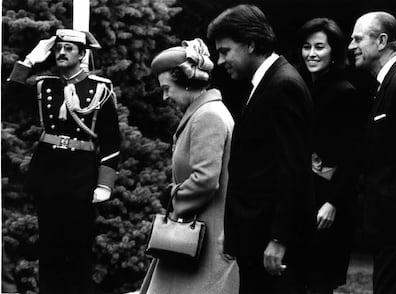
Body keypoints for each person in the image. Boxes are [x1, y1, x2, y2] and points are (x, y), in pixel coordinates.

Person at [207, 5, 315, 294]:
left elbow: (293, 168)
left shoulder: (283, 86)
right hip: (256, 239)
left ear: (251, 44)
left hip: (270, 244)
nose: (220, 61)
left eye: (225, 51)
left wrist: (280, 238)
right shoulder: (265, 83)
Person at [6, 29, 121, 294]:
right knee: (48, 250)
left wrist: (105, 184)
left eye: (69, 48)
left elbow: (111, 140)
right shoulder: (45, 85)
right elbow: (9, 99)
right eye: (59, 48)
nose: (62, 52)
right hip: (47, 175)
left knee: (78, 251)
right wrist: (28, 61)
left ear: (82, 54)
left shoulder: (100, 90)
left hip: (80, 178)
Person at [142, 38, 239, 294]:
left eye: (167, 89)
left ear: (186, 82)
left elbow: (206, 179)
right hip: (195, 237)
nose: (165, 97)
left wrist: (174, 198)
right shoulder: (203, 113)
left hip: (202, 241)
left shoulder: (207, 116)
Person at [297, 18, 368, 294]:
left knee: (320, 282)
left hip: (330, 200)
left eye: (319, 47)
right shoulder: (301, 85)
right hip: (305, 194)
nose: (311, 53)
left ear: (334, 52)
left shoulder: (344, 92)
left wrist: (333, 202)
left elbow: (354, 155)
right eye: (306, 47)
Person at [348, 11, 396, 294]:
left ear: (382, 40)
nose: (351, 46)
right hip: (390, 228)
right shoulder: (388, 84)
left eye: (358, 38)